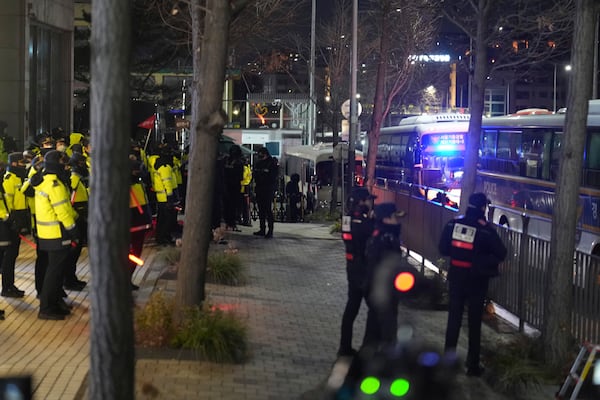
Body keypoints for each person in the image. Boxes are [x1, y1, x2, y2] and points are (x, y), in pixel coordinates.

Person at [438, 192, 507, 376]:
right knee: (474, 323)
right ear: (483, 208)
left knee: (454, 319)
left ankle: (448, 362)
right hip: (476, 281)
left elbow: (443, 248)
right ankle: (472, 365)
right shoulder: (485, 230)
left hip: (456, 278)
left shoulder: (454, 223)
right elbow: (501, 252)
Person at [35, 150, 79, 320]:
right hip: (57, 233)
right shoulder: (55, 185)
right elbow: (62, 210)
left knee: (54, 270)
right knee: (54, 272)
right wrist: (73, 229)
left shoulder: (44, 181)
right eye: (63, 163)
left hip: (46, 234)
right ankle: (46, 307)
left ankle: (53, 303)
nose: (66, 166)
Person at [337, 187, 376, 357]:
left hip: (351, 267)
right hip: (363, 269)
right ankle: (367, 348)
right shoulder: (363, 223)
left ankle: (344, 347)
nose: (370, 202)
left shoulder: (347, 219)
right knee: (374, 309)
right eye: (368, 200)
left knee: (352, 307)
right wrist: (372, 220)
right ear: (361, 202)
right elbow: (370, 237)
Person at [362, 202, 405, 347]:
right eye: (394, 217)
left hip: (383, 292)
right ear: (386, 219)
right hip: (383, 293)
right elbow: (379, 268)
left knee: (376, 334)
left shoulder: (386, 235)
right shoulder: (383, 238)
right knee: (382, 334)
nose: (397, 220)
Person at [1, 152, 29, 298]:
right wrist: (10, 219)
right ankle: (7, 287)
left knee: (13, 255)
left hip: (18, 219)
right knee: (9, 256)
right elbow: (6, 203)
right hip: (10, 221)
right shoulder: (8, 180)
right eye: (21, 163)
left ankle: (10, 285)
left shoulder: (20, 178)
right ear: (13, 164)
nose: (23, 165)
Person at [63, 152, 89, 291]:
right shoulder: (74, 175)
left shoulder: (80, 175)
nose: (83, 165)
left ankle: (72, 278)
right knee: (73, 250)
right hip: (76, 212)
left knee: (77, 249)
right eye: (81, 162)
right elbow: (71, 191)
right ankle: (68, 280)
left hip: (82, 209)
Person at [252, 147, 278, 238]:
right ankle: (262, 229)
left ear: (265, 153)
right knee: (261, 210)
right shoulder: (259, 163)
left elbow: (273, 177)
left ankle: (270, 230)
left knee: (267, 210)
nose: (259, 155)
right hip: (260, 188)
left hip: (268, 189)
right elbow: (255, 174)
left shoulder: (271, 163)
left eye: (261, 153)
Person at [223, 145, 244, 231]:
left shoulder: (231, 162)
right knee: (231, 206)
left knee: (230, 206)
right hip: (231, 186)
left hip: (231, 186)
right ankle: (230, 223)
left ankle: (230, 223)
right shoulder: (233, 162)